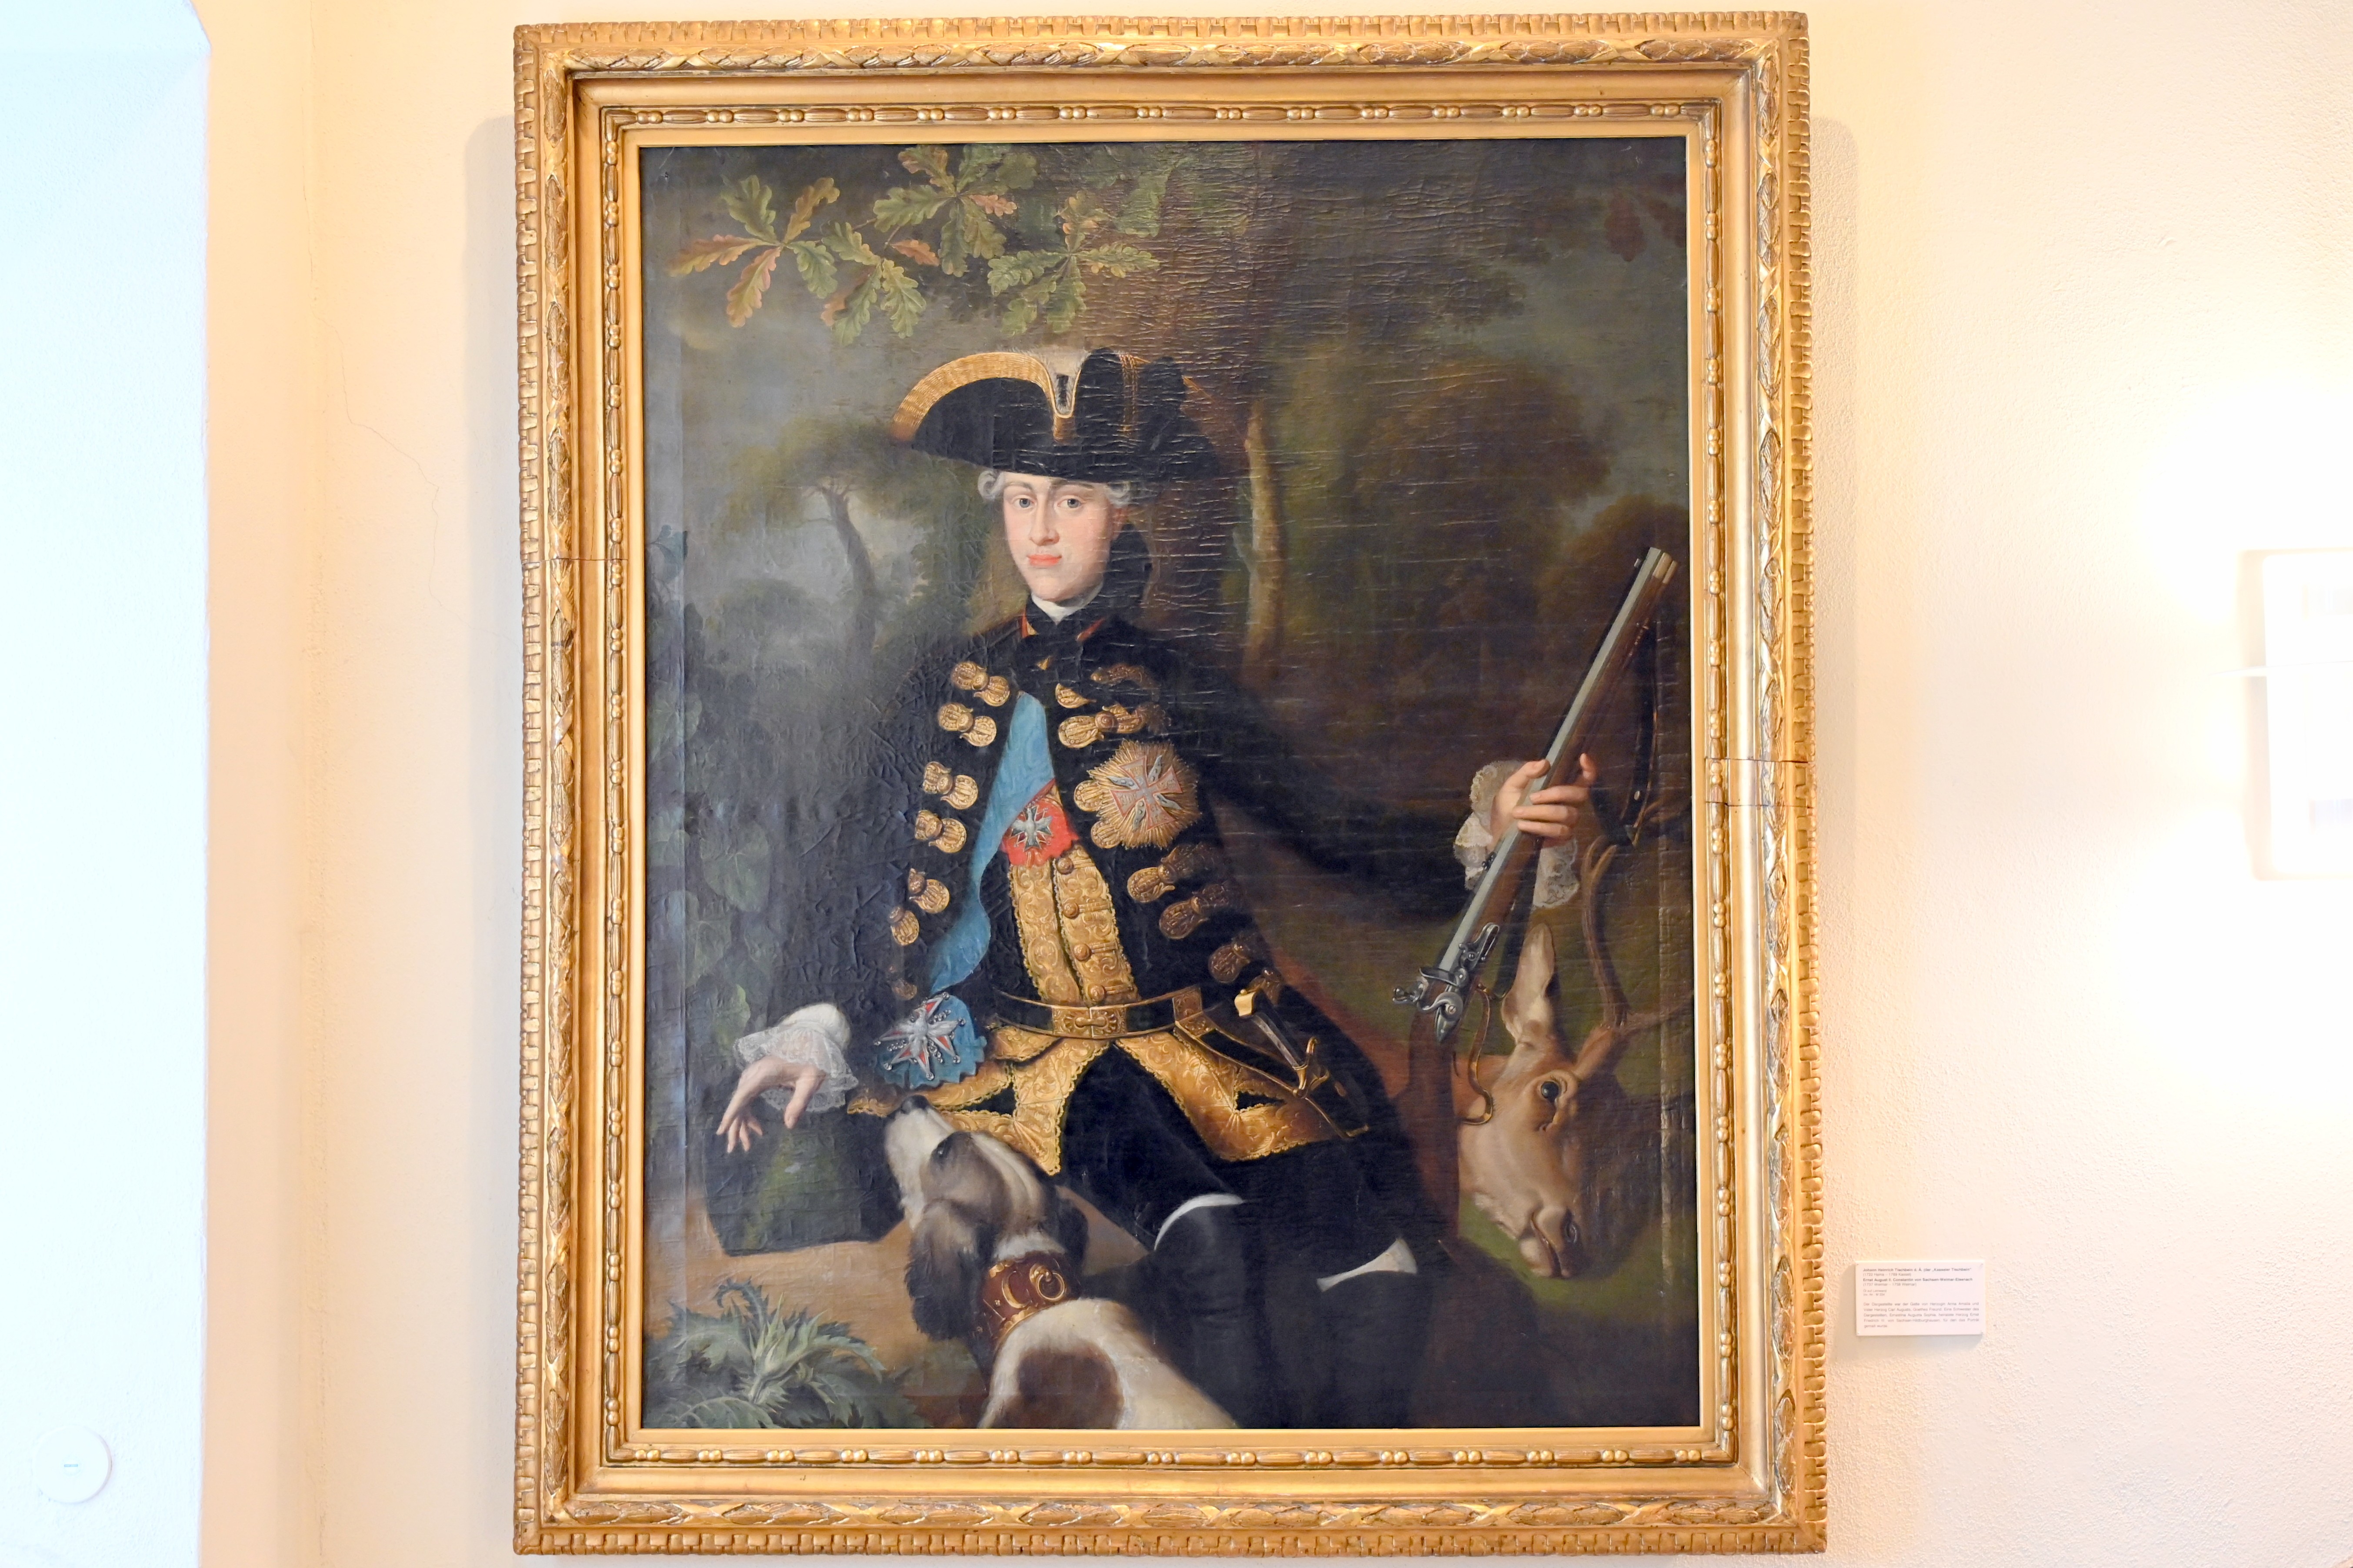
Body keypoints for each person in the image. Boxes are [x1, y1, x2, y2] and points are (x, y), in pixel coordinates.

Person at [715, 349, 1586, 1427]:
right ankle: (1226, 1500)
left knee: (1383, 1268)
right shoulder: (944, 688)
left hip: (1206, 1034)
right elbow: (853, 865)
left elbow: (1327, 825)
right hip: (1031, 1051)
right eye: (1023, 500)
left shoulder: (1175, 681)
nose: (1043, 530)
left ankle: (1341, 1488)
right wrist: (814, 1020)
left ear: (1118, 513)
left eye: (1071, 501)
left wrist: (1488, 824)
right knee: (1211, 1239)